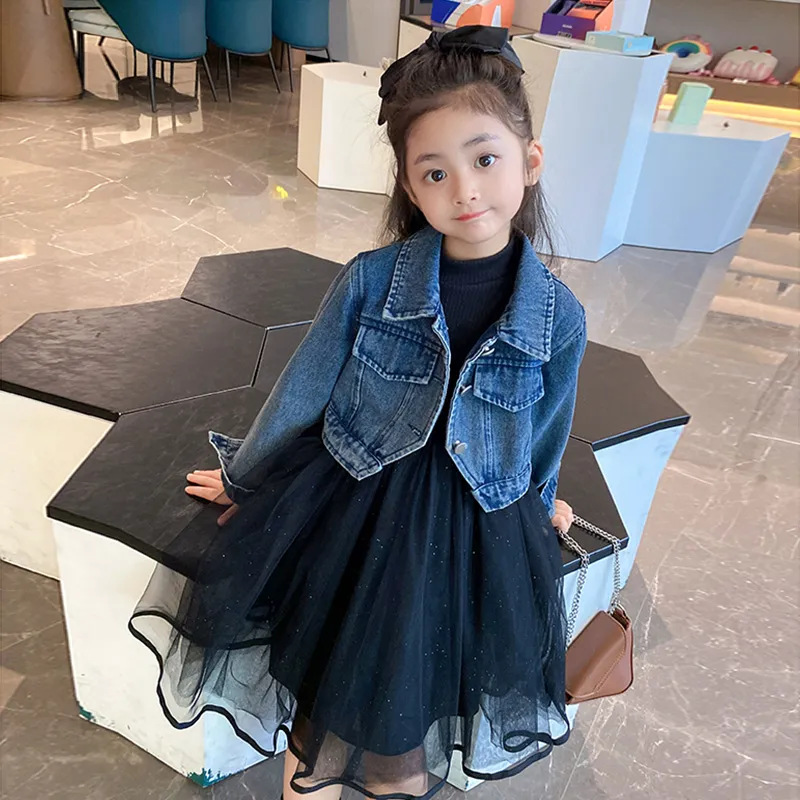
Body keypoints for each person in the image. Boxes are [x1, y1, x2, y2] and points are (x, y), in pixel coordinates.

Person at [129, 25, 586, 800]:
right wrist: (246, 480)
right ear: (410, 186)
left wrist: (538, 502)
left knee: (409, 715)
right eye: (435, 172)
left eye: (485, 160)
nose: (465, 190)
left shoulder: (558, 316)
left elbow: (546, 425)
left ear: (530, 161)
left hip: (469, 531)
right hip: (355, 505)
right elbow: (301, 390)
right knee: (324, 706)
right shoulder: (373, 280)